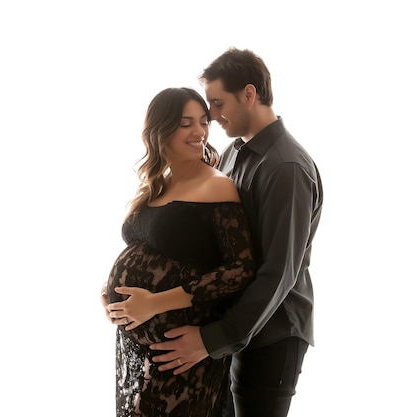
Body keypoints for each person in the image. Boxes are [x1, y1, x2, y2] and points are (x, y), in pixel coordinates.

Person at [108, 48, 324, 417]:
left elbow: (278, 273)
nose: (212, 118)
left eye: (217, 104)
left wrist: (211, 340)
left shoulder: (285, 167)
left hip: (268, 334)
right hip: (231, 325)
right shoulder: (235, 154)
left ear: (250, 95)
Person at [103, 86, 256, 417]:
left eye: (203, 122)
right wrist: (109, 291)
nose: (199, 132)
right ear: (162, 128)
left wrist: (153, 303)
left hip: (179, 349)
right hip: (135, 346)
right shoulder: (159, 182)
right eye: (186, 123)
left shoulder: (217, 186)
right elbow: (142, 245)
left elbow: (239, 270)